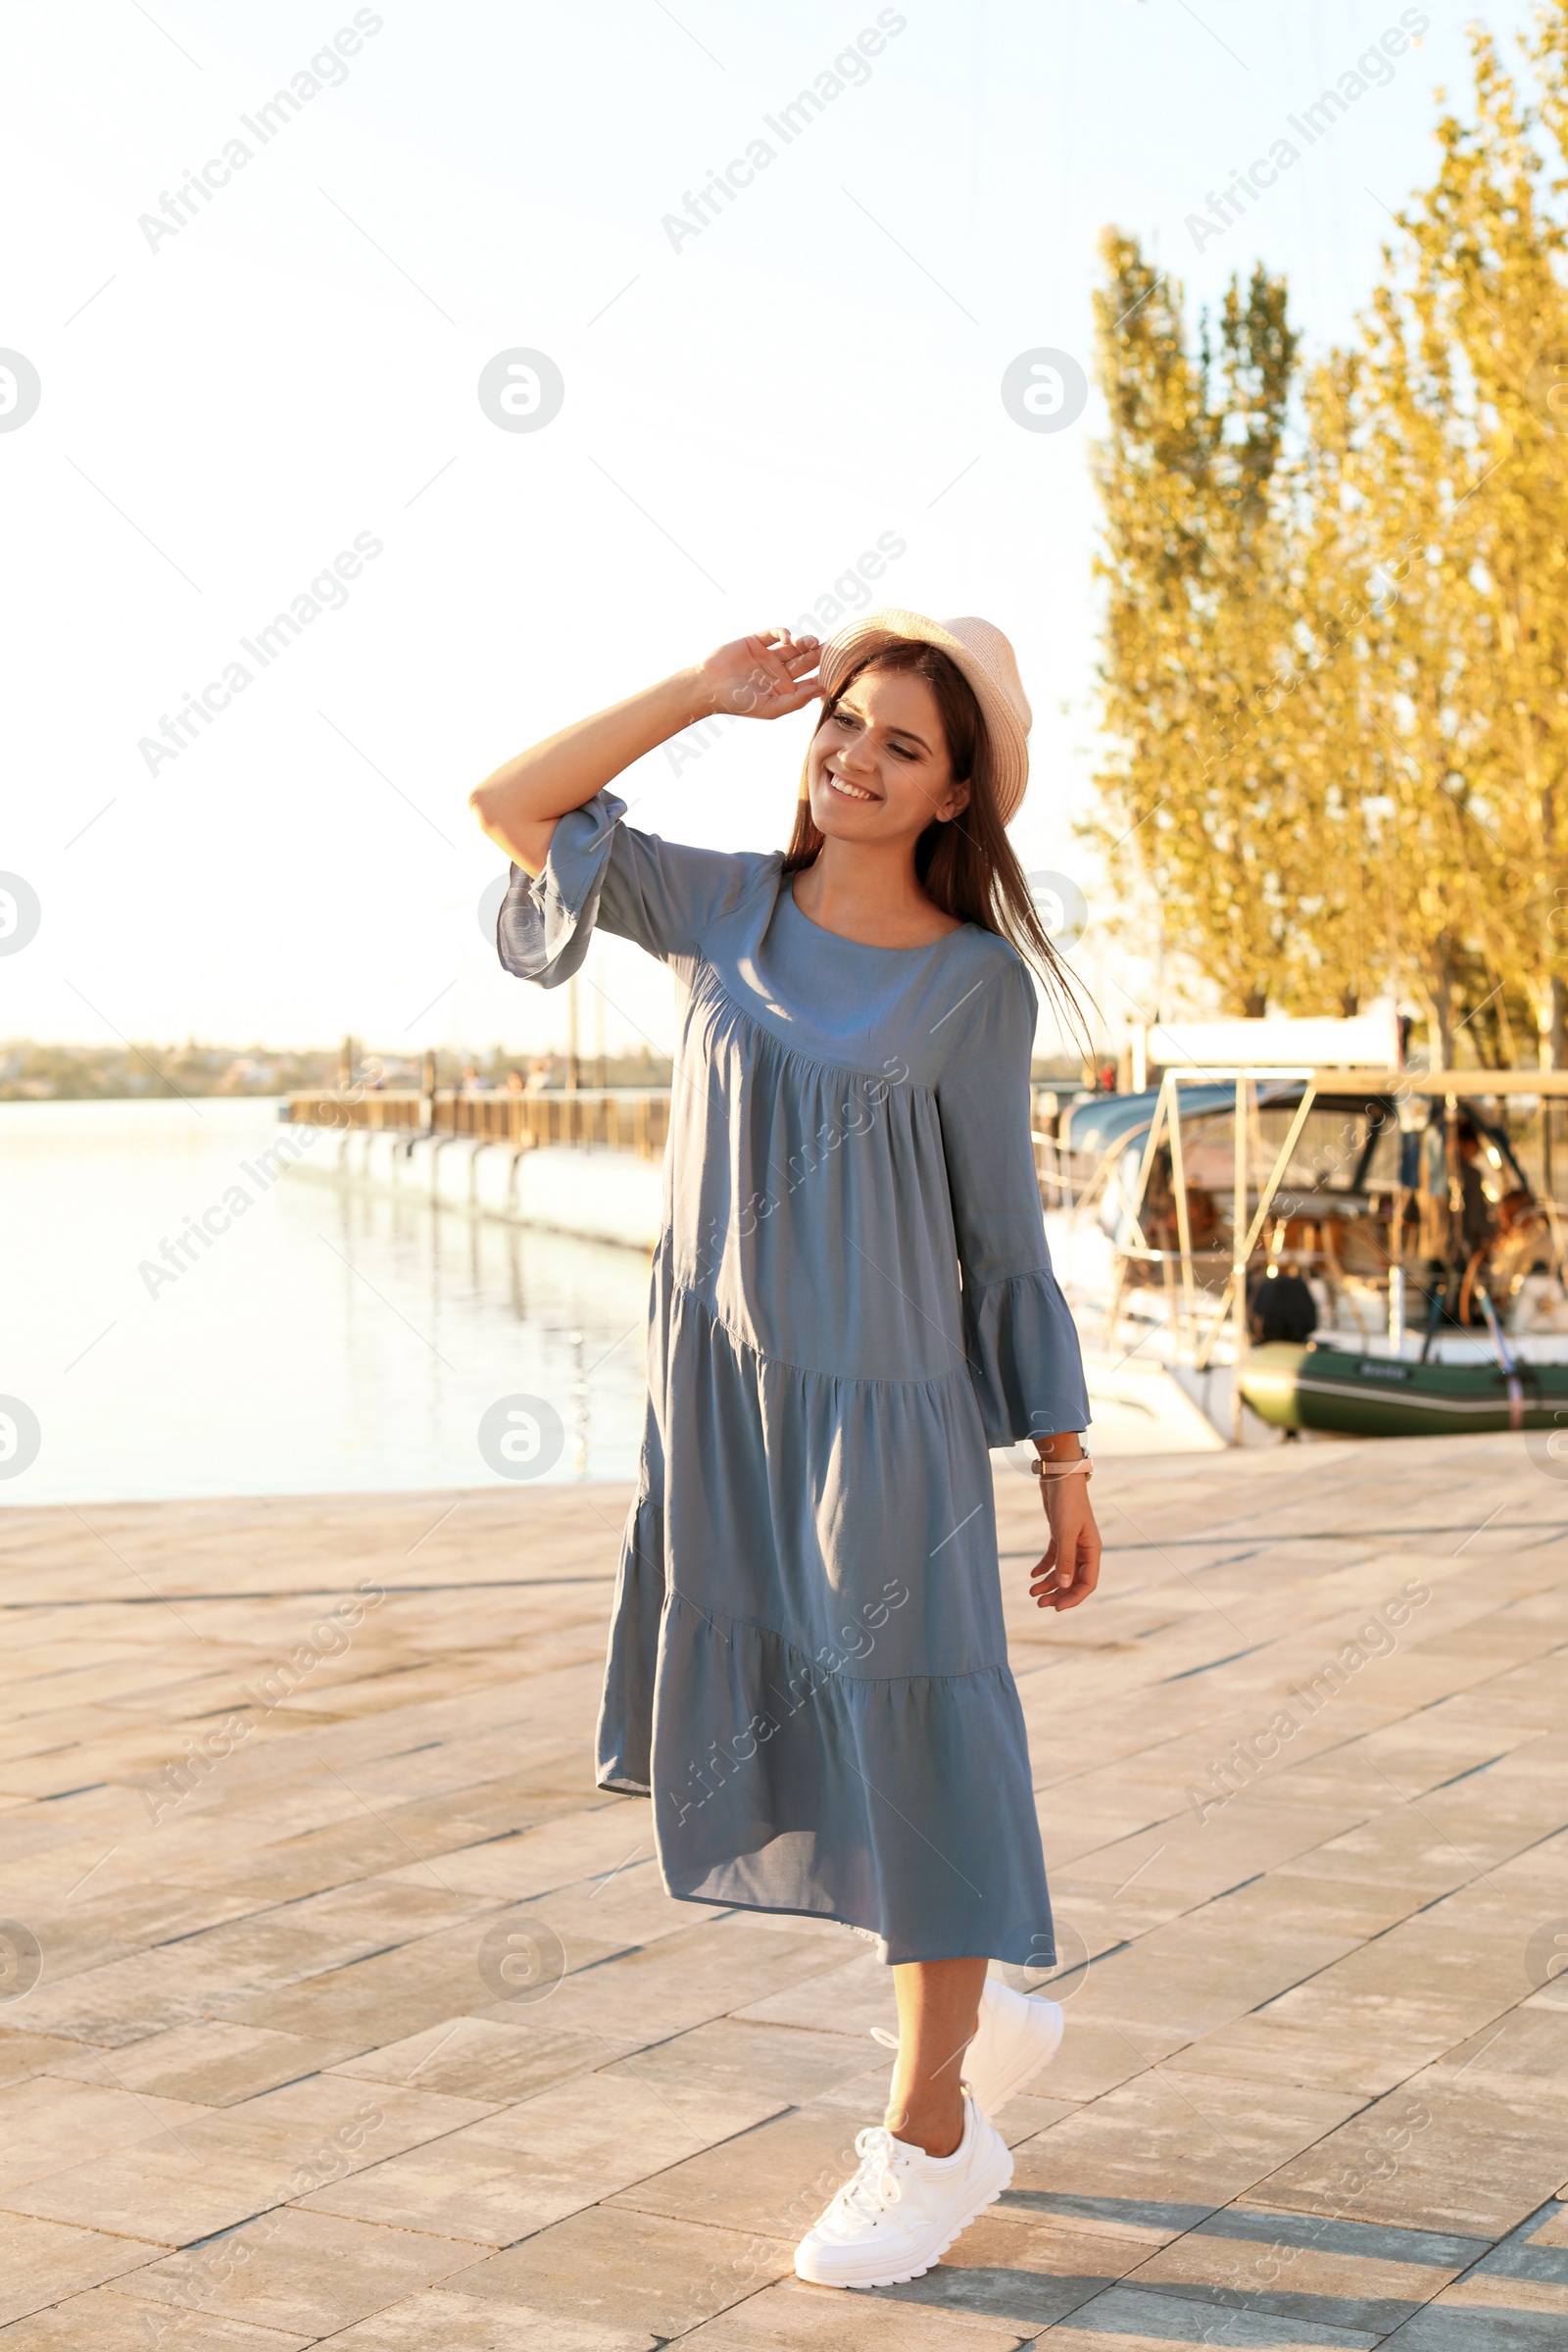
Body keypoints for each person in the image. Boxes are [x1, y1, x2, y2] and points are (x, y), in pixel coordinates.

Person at [470, 613, 1102, 2290]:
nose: (856, 757)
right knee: (838, 1740)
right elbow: (511, 805)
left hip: (883, 1413)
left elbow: (1002, 1236)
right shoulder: (721, 907)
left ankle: (936, 2134)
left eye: (903, 744)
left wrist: (1064, 1459)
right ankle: (981, 2027)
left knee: (921, 1747)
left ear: (959, 791)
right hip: (728, 1403)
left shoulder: (971, 987)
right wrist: (694, 690)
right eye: (844, 724)